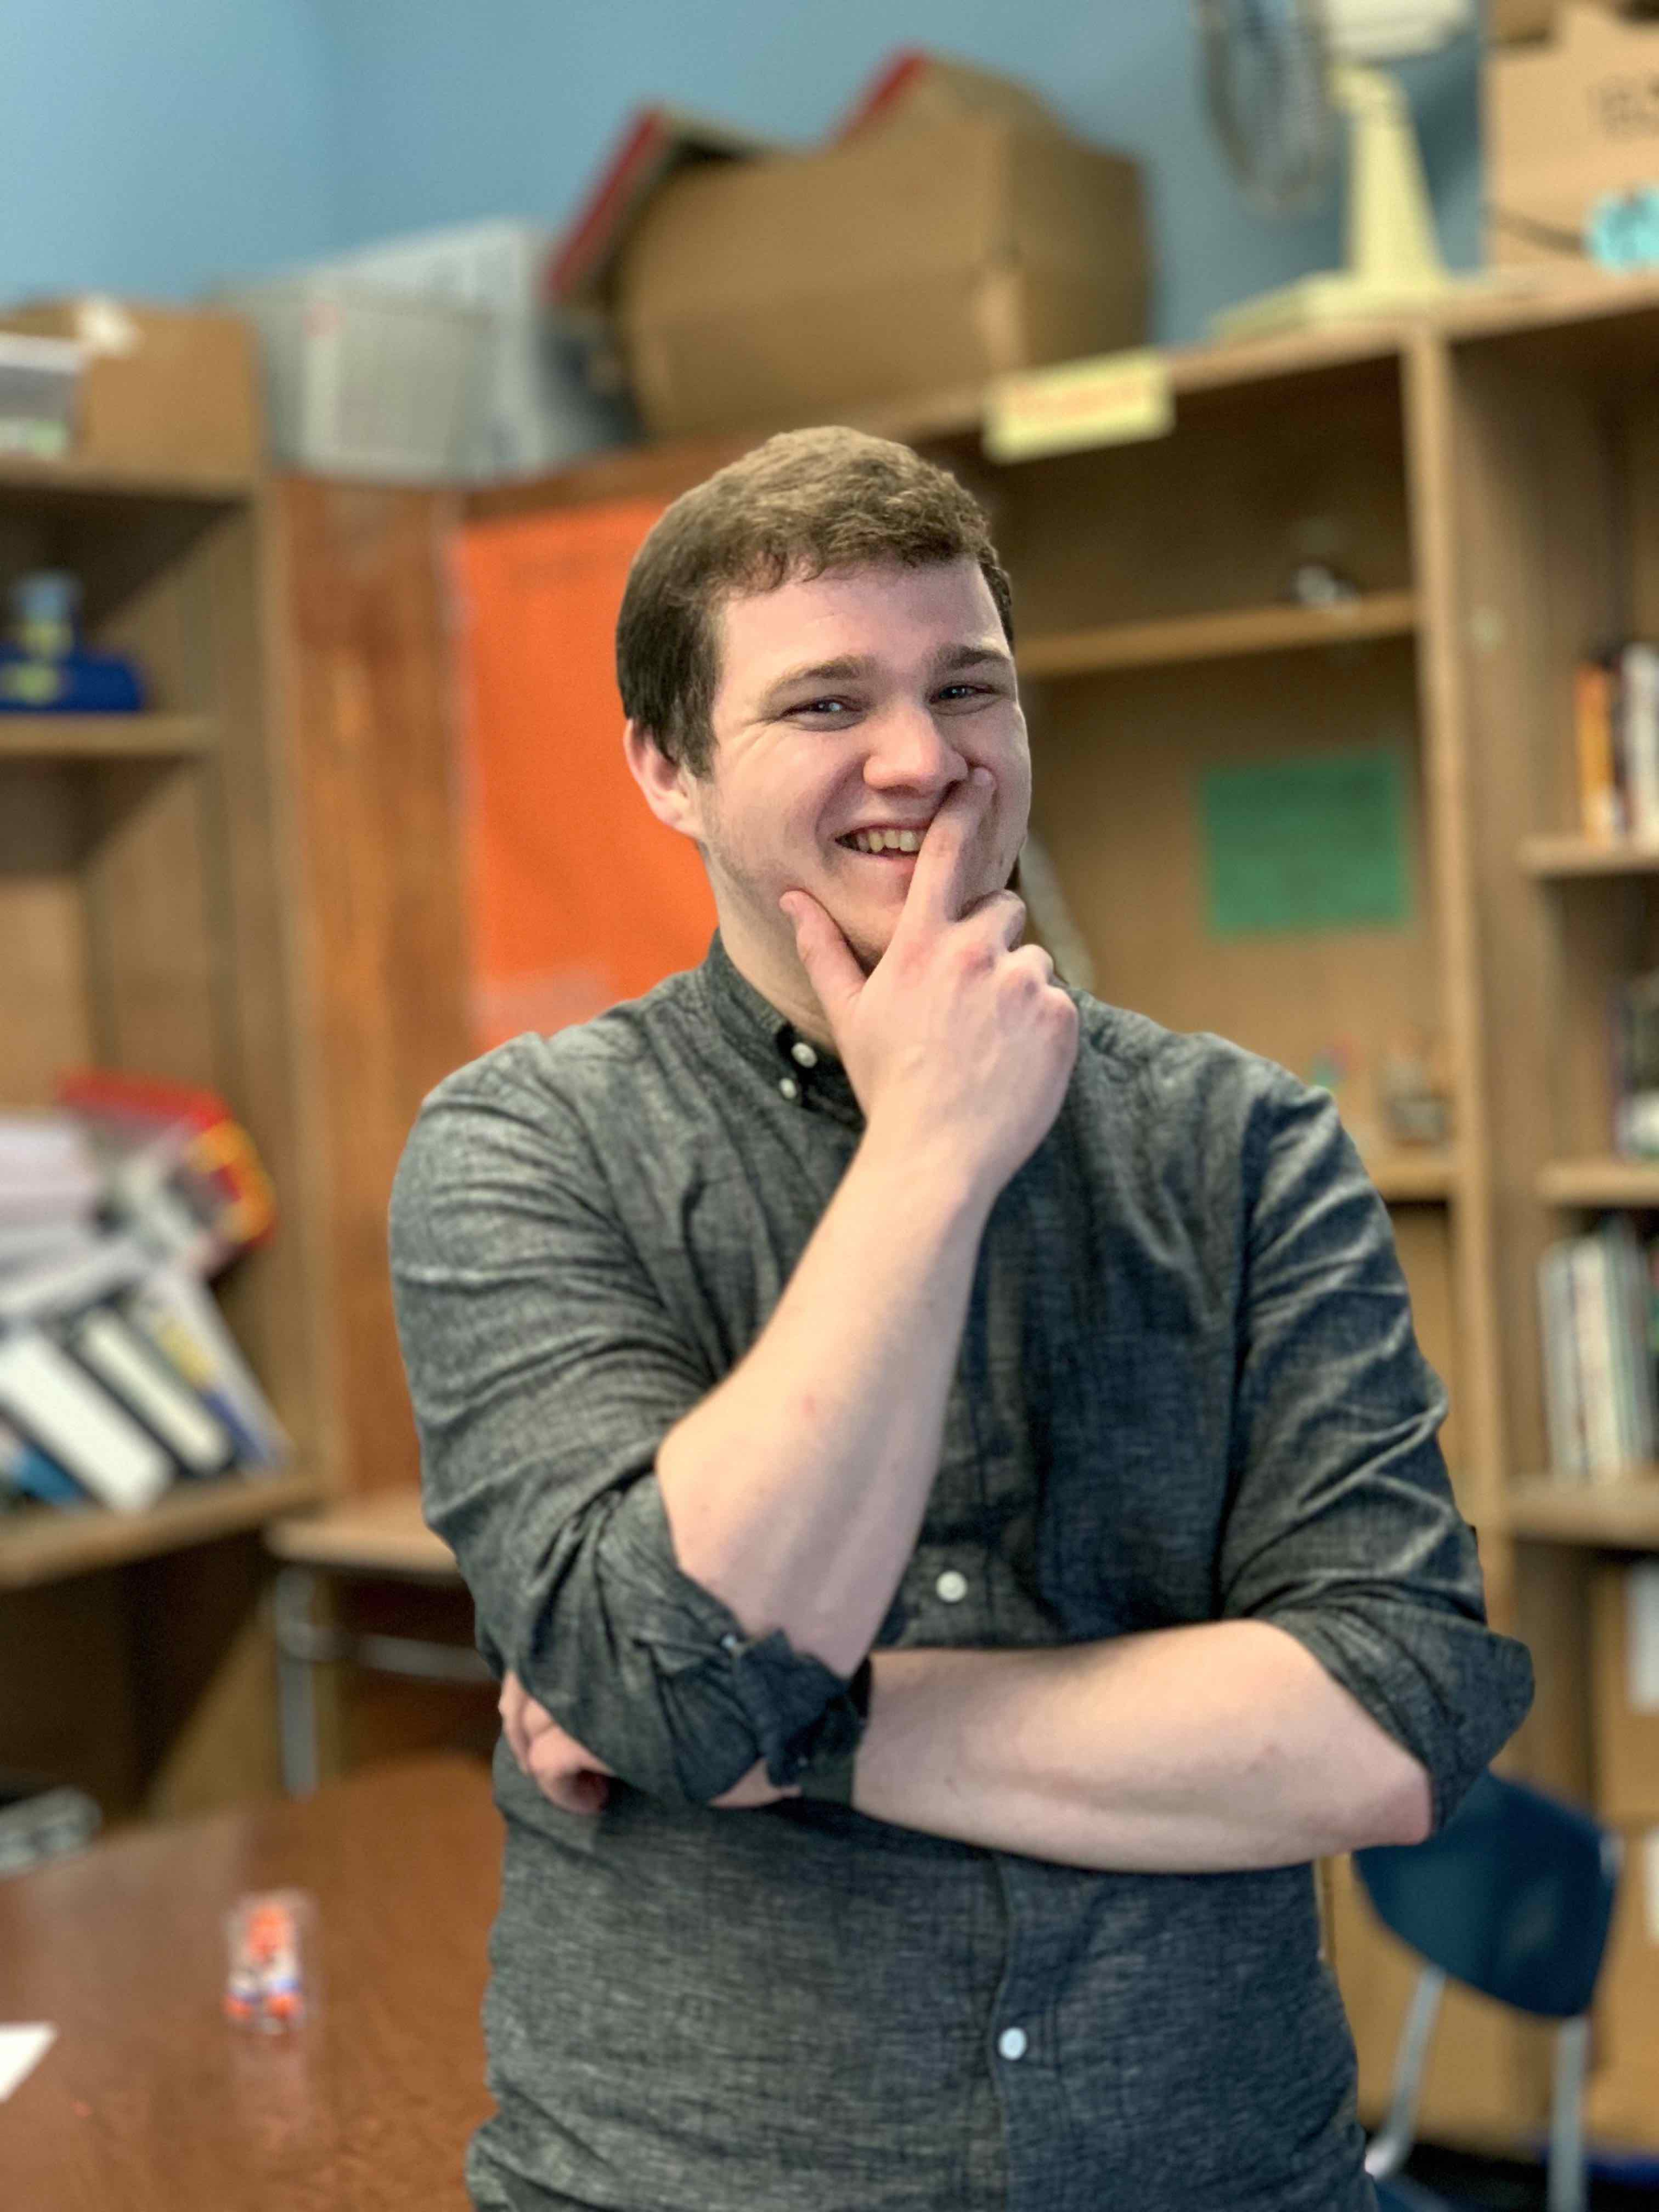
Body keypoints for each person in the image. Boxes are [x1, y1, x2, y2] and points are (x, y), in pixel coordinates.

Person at [389, 426, 1534, 2212]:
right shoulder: (528, 1146)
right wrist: (930, 1147)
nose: (921, 758)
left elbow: (1387, 1728)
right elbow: (686, 1671)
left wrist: (819, 1728)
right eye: (825, 703)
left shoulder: (1242, 1146)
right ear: (666, 766)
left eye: (966, 687)